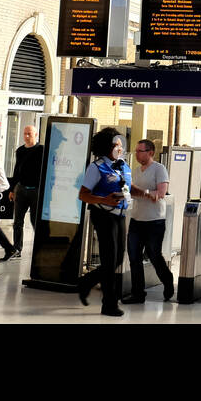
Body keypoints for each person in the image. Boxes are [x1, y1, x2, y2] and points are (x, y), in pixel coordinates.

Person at [76, 127, 132, 317]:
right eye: (116, 144)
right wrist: (103, 200)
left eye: (120, 144)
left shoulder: (123, 165)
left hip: (120, 214)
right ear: (107, 147)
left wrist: (147, 193)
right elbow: (83, 195)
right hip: (103, 215)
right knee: (109, 260)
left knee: (116, 259)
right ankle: (109, 304)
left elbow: (127, 187)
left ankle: (86, 282)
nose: (120, 147)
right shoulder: (96, 167)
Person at [122, 138, 174, 304]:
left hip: (154, 221)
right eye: (136, 151)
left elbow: (160, 193)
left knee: (154, 255)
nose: (137, 154)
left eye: (140, 151)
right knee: (134, 256)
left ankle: (167, 279)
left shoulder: (159, 169)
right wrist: (139, 193)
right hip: (137, 219)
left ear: (150, 152)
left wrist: (143, 193)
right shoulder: (135, 171)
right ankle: (138, 293)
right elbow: (132, 191)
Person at [7, 124, 43, 256]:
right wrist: (12, 189)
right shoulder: (20, 151)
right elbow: (17, 170)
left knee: (35, 220)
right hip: (21, 189)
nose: (27, 136)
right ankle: (17, 248)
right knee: (17, 221)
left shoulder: (41, 150)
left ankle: (40, 247)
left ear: (36, 135)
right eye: (25, 133)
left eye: (30, 134)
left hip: (36, 190)